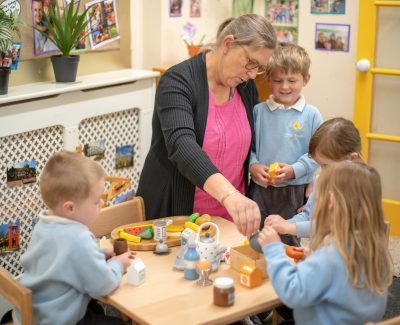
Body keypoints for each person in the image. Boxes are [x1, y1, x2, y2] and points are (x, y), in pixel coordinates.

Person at [136, 14, 277, 237]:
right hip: (182, 217)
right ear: (228, 44)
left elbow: (242, 144)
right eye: (250, 63)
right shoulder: (177, 81)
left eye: (258, 67)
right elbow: (182, 146)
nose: (252, 74)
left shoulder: (245, 87)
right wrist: (229, 195)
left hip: (229, 218)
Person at [258, 161, 393, 325]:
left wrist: (274, 249)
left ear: (330, 202)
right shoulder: (373, 245)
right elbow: (338, 278)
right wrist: (314, 258)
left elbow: (291, 291)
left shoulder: (331, 255)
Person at [16, 151, 134, 325]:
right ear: (70, 208)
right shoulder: (78, 238)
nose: (102, 203)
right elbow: (102, 285)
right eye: (96, 201)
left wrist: (100, 254)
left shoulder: (44, 224)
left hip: (35, 314)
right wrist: (119, 264)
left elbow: (64, 260)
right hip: (59, 320)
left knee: (96, 310)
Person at [249, 43, 323, 246]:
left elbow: (318, 154)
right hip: (260, 188)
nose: (284, 86)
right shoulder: (258, 112)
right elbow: (248, 148)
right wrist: (253, 165)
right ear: (268, 79)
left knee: (287, 238)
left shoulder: (312, 115)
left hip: (294, 190)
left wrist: (294, 170)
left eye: (292, 80)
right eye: (277, 80)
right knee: (256, 235)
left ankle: (287, 275)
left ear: (305, 79)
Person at [265, 117, 362, 239]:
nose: (322, 171)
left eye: (327, 165)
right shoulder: (321, 180)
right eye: (320, 165)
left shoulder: (357, 189)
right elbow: (308, 214)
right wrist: (286, 224)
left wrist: (289, 227)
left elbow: (330, 227)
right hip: (323, 252)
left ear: (352, 159)